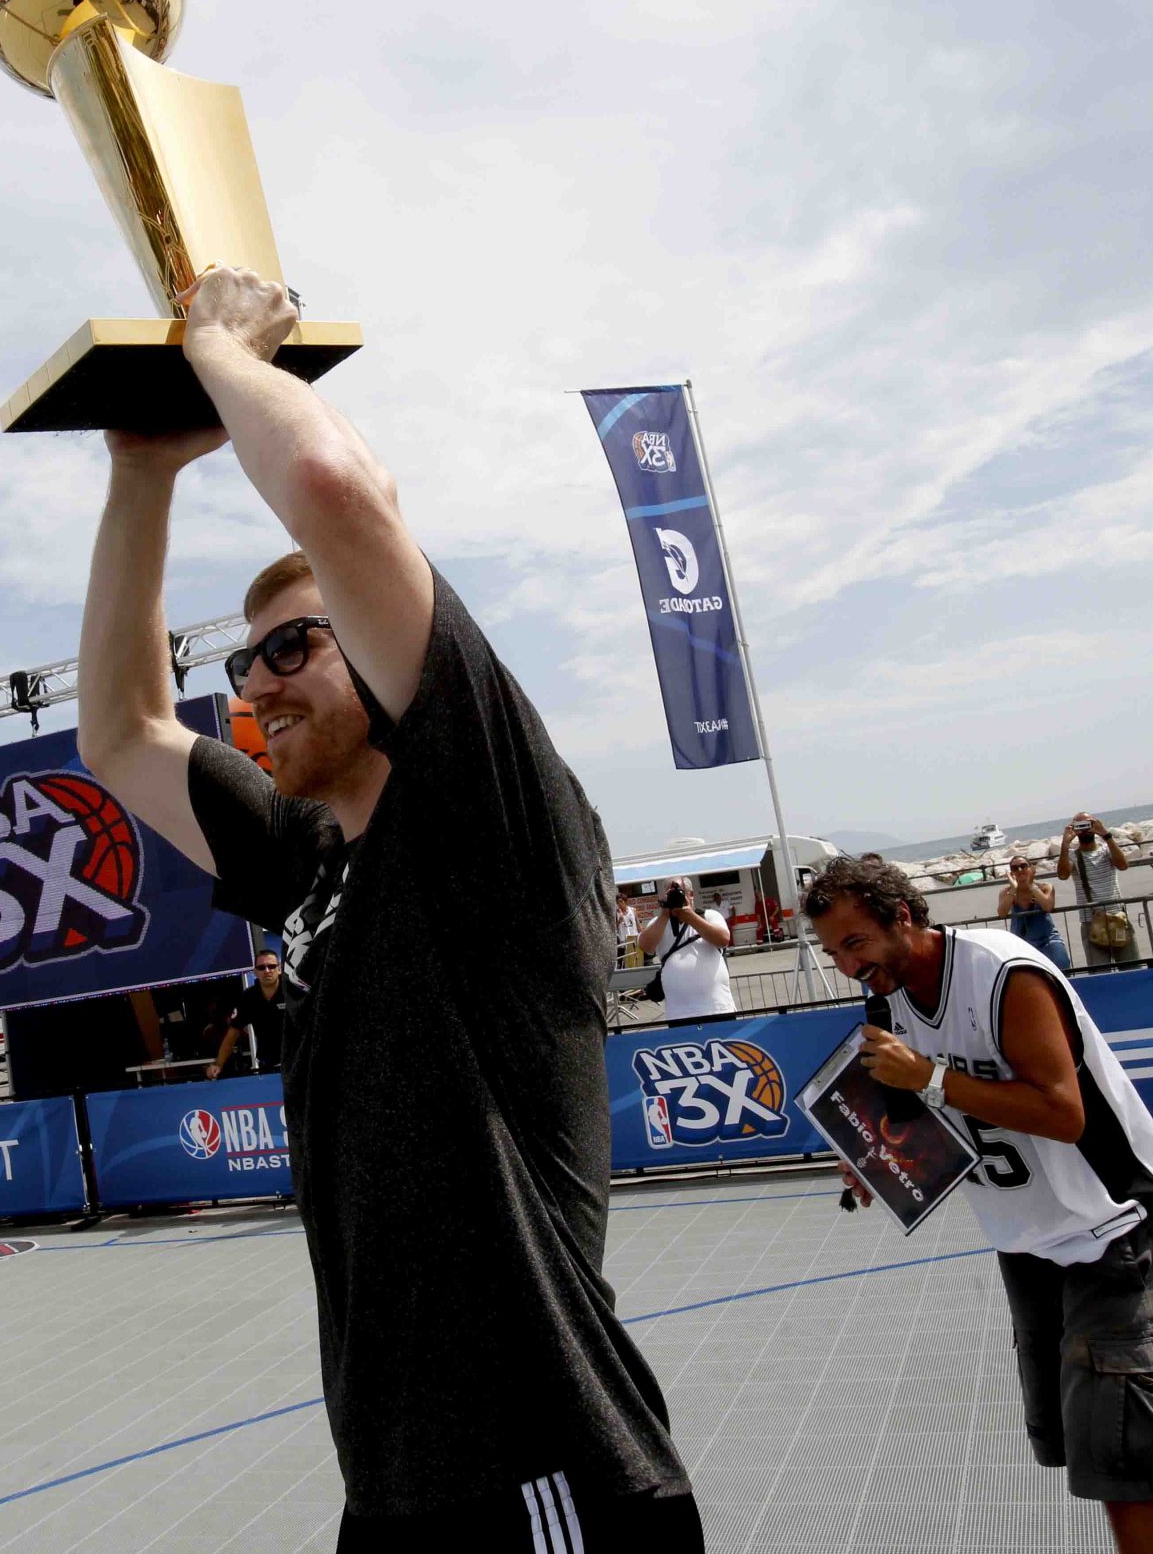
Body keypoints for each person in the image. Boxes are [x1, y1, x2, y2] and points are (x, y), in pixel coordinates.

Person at [72, 267, 696, 1546]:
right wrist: (143, 471)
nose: (260, 685)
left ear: (371, 638)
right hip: (397, 1488)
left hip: (546, 1475)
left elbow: (339, 494)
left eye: (296, 645)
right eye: (246, 663)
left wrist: (223, 353)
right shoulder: (304, 855)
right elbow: (121, 734)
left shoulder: (483, 815)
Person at [802, 857, 1153, 1552]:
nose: (846, 965)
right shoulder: (887, 1001)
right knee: (1083, 1444)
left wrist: (931, 1075)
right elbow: (917, 1116)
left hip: (1104, 1225)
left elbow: (1063, 1112)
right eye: (833, 951)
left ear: (902, 917)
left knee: (1127, 1452)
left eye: (854, 943)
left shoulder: (1002, 972)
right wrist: (870, 1157)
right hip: (1026, 1239)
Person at [638, 875, 737, 1021]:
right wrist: (665, 914)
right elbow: (646, 946)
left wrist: (689, 915)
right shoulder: (658, 922)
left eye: (679, 891)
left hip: (717, 1008)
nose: (674, 895)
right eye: (669, 892)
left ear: (691, 895)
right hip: (679, 1014)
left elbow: (723, 940)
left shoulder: (709, 916)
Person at [1056, 813, 1138, 967]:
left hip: (1118, 917)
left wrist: (1106, 834)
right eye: (1079, 826)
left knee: (1131, 967)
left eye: (1088, 824)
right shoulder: (1073, 856)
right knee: (1100, 972)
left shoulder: (1107, 850)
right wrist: (1065, 845)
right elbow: (1062, 875)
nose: (1084, 829)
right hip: (1091, 921)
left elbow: (1122, 865)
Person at [207, 949, 293, 1079]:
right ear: (255, 972)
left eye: (271, 966)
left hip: (298, 1063)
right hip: (269, 1067)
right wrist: (218, 1064)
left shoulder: (294, 992)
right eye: (261, 967)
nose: (267, 971)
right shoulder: (248, 997)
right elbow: (232, 1035)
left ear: (279, 969)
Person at [997, 855, 1074, 970]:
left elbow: (1048, 906)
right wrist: (1013, 889)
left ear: (1031, 869)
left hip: (1048, 940)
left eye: (1023, 866)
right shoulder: (1006, 892)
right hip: (1022, 944)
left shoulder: (1044, 887)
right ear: (1011, 873)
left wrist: (1031, 886)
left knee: (1062, 967)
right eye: (1015, 868)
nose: (1019, 870)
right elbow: (1002, 913)